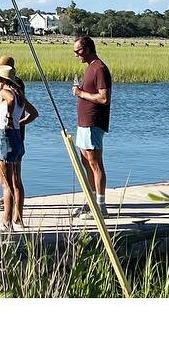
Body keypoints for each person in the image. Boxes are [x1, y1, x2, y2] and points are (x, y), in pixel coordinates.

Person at [0, 62, 40, 230]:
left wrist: (8, 117)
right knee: (17, 182)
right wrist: (18, 122)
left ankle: (6, 222)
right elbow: (34, 113)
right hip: (17, 136)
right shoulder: (19, 93)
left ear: (2, 80)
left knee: (5, 184)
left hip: (4, 135)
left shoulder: (4, 91)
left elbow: (10, 100)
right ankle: (18, 219)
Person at [71, 34, 113, 214]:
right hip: (84, 123)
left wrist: (81, 94)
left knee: (95, 163)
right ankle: (91, 201)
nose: (76, 54)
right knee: (86, 162)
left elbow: (104, 98)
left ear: (87, 49)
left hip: (93, 122)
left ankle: (101, 206)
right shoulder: (90, 67)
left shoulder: (100, 68)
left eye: (77, 51)